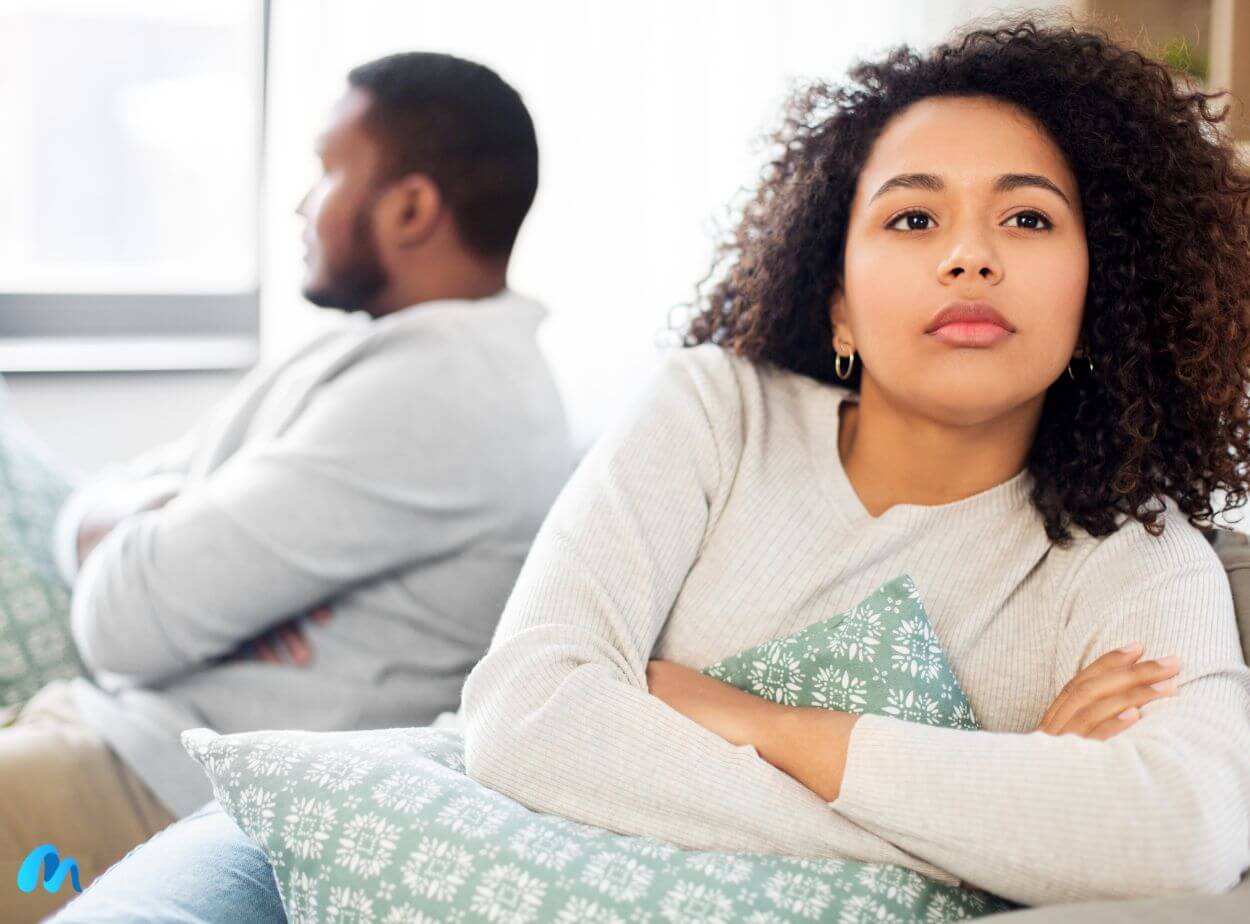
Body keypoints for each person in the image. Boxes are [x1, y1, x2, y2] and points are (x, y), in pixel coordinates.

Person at [54, 14, 1250, 922]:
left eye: (1028, 221)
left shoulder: (1131, 558)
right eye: (911, 218)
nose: (970, 260)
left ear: (1104, 286)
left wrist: (756, 720)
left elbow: (1190, 833)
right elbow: (526, 721)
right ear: (834, 290)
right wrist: (998, 804)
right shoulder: (712, 410)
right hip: (394, 816)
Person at [5, 51, 572, 922]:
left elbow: (121, 618)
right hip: (107, 742)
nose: (302, 205)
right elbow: (112, 503)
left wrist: (158, 526)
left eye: (327, 171)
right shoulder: (374, 353)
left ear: (412, 207)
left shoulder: (444, 392)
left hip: (146, 794)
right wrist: (150, 524)